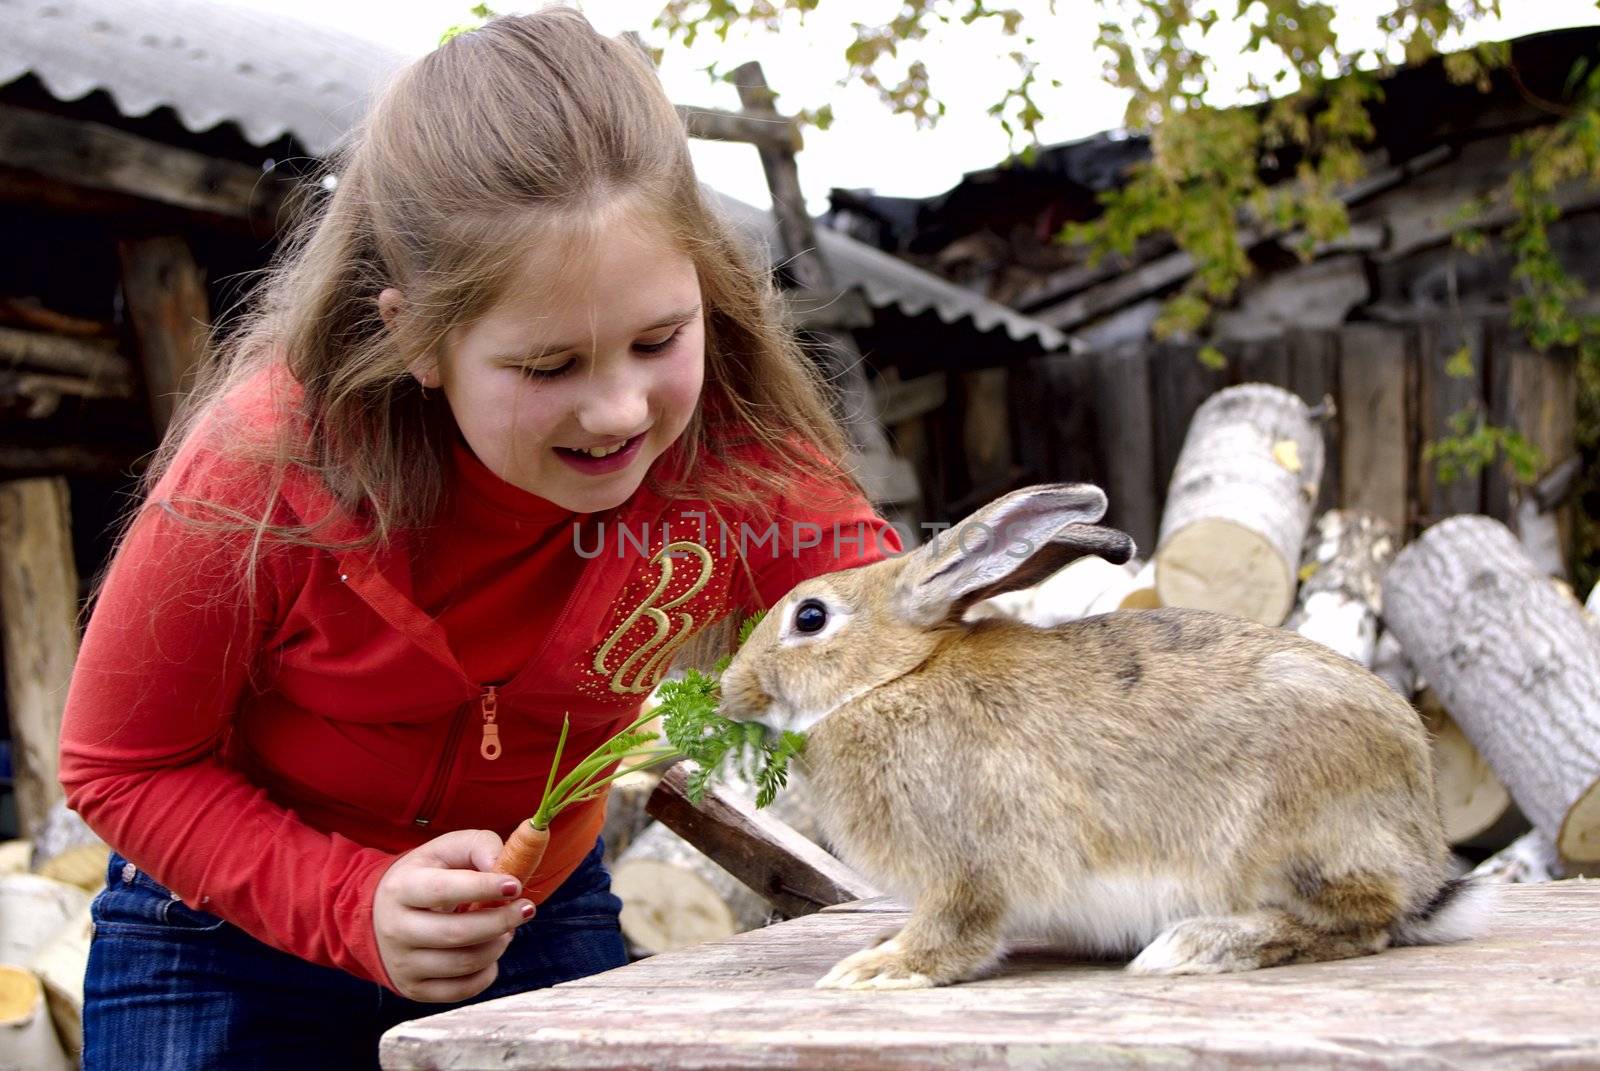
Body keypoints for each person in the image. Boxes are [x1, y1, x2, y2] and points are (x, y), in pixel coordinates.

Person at [57, 8, 902, 1068]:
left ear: (705, 289)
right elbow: (121, 764)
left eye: (658, 339)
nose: (620, 411)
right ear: (415, 334)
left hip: (526, 914)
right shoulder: (264, 471)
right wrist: (351, 903)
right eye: (548, 367)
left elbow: (901, 639)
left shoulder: (738, 455)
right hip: (219, 936)